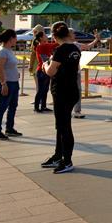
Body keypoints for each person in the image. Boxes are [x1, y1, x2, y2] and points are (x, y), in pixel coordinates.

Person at [41, 22, 83, 173]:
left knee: (64, 126)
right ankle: (59, 155)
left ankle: (67, 160)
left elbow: (51, 72)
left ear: (54, 36)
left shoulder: (60, 50)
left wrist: (45, 65)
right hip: (72, 90)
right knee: (61, 125)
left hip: (61, 91)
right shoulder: (75, 48)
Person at [0, 29, 22, 140]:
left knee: (13, 106)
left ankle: (9, 128)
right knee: (2, 107)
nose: (16, 40)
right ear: (11, 38)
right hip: (7, 83)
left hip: (13, 82)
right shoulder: (2, 51)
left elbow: (9, 66)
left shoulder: (8, 50)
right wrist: (3, 83)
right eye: (15, 38)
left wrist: (16, 73)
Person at [33, 29, 56, 112]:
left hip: (44, 70)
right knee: (41, 90)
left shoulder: (43, 45)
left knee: (45, 89)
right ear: (41, 38)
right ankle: (36, 107)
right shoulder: (42, 46)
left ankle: (43, 106)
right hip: (41, 70)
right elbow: (55, 44)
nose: (47, 36)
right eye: (45, 35)